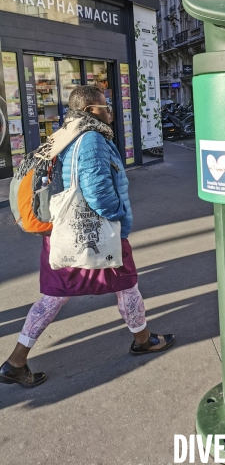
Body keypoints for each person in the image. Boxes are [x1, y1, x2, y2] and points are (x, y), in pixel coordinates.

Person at [0, 85, 174, 389]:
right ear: (93, 110)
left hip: (65, 233)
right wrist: (119, 214)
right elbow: (98, 192)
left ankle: (16, 361)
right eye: (106, 106)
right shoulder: (91, 137)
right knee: (127, 284)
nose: (110, 112)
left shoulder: (65, 132)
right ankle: (143, 341)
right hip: (95, 232)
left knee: (56, 296)